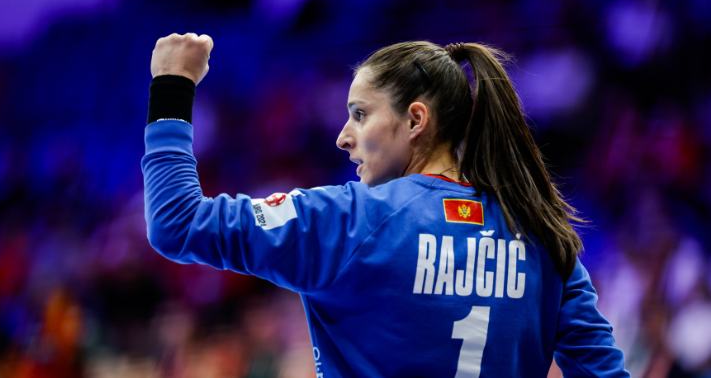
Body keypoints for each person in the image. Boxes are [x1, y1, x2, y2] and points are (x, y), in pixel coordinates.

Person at [142, 33, 630, 377]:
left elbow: (176, 222)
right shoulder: (545, 237)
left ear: (416, 120)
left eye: (360, 114)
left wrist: (172, 85)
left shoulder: (349, 221)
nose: (343, 136)